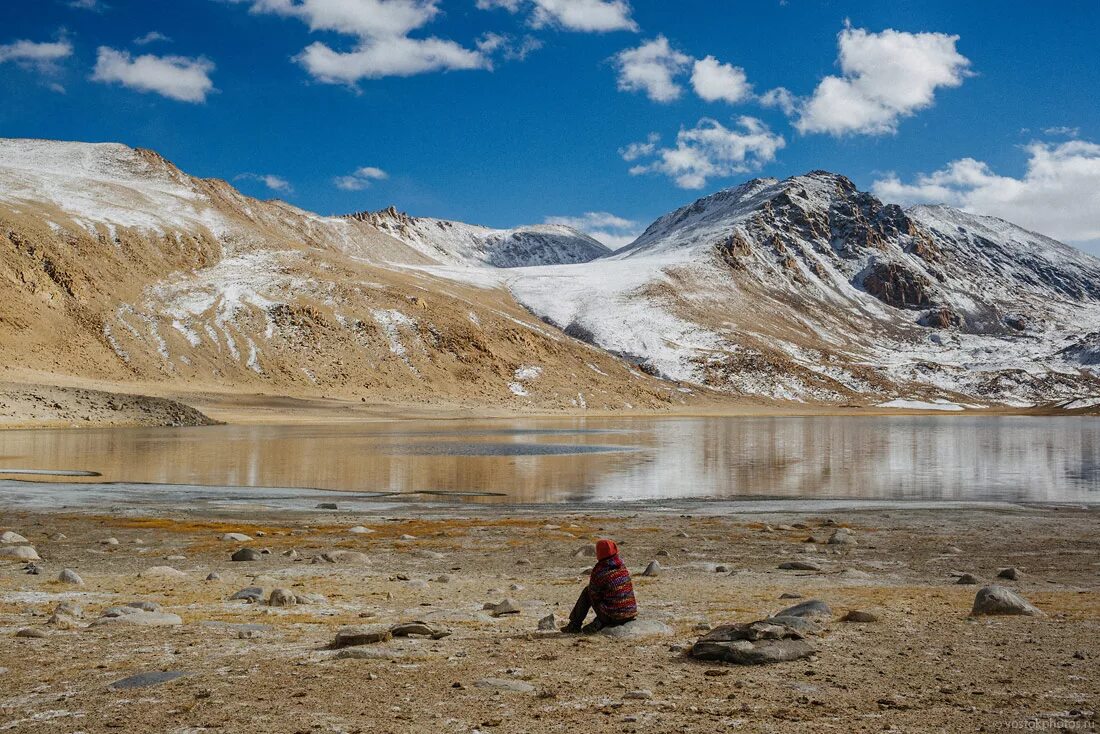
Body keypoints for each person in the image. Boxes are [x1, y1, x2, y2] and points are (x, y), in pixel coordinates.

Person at [562, 539, 637, 633]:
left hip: (613, 616)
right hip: (630, 613)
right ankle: (598, 623)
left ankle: (574, 625)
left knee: (587, 591)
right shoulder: (621, 566)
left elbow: (594, 595)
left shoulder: (600, 571)